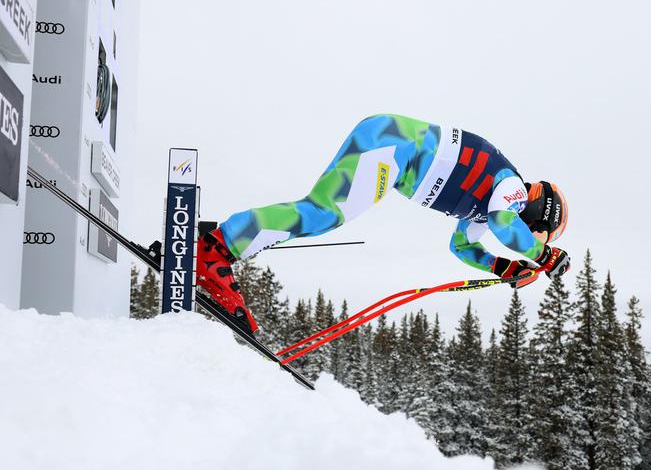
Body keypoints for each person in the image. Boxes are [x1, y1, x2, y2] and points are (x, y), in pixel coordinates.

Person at [197, 114, 570, 331]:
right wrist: (544, 256)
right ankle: (215, 249)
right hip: (392, 148)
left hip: (388, 146)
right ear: (540, 213)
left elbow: (462, 245)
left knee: (320, 215)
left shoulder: (488, 207)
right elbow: (508, 225)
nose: (530, 237)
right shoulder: (512, 188)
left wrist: (500, 265)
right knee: (323, 213)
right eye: (537, 232)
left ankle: (219, 246)